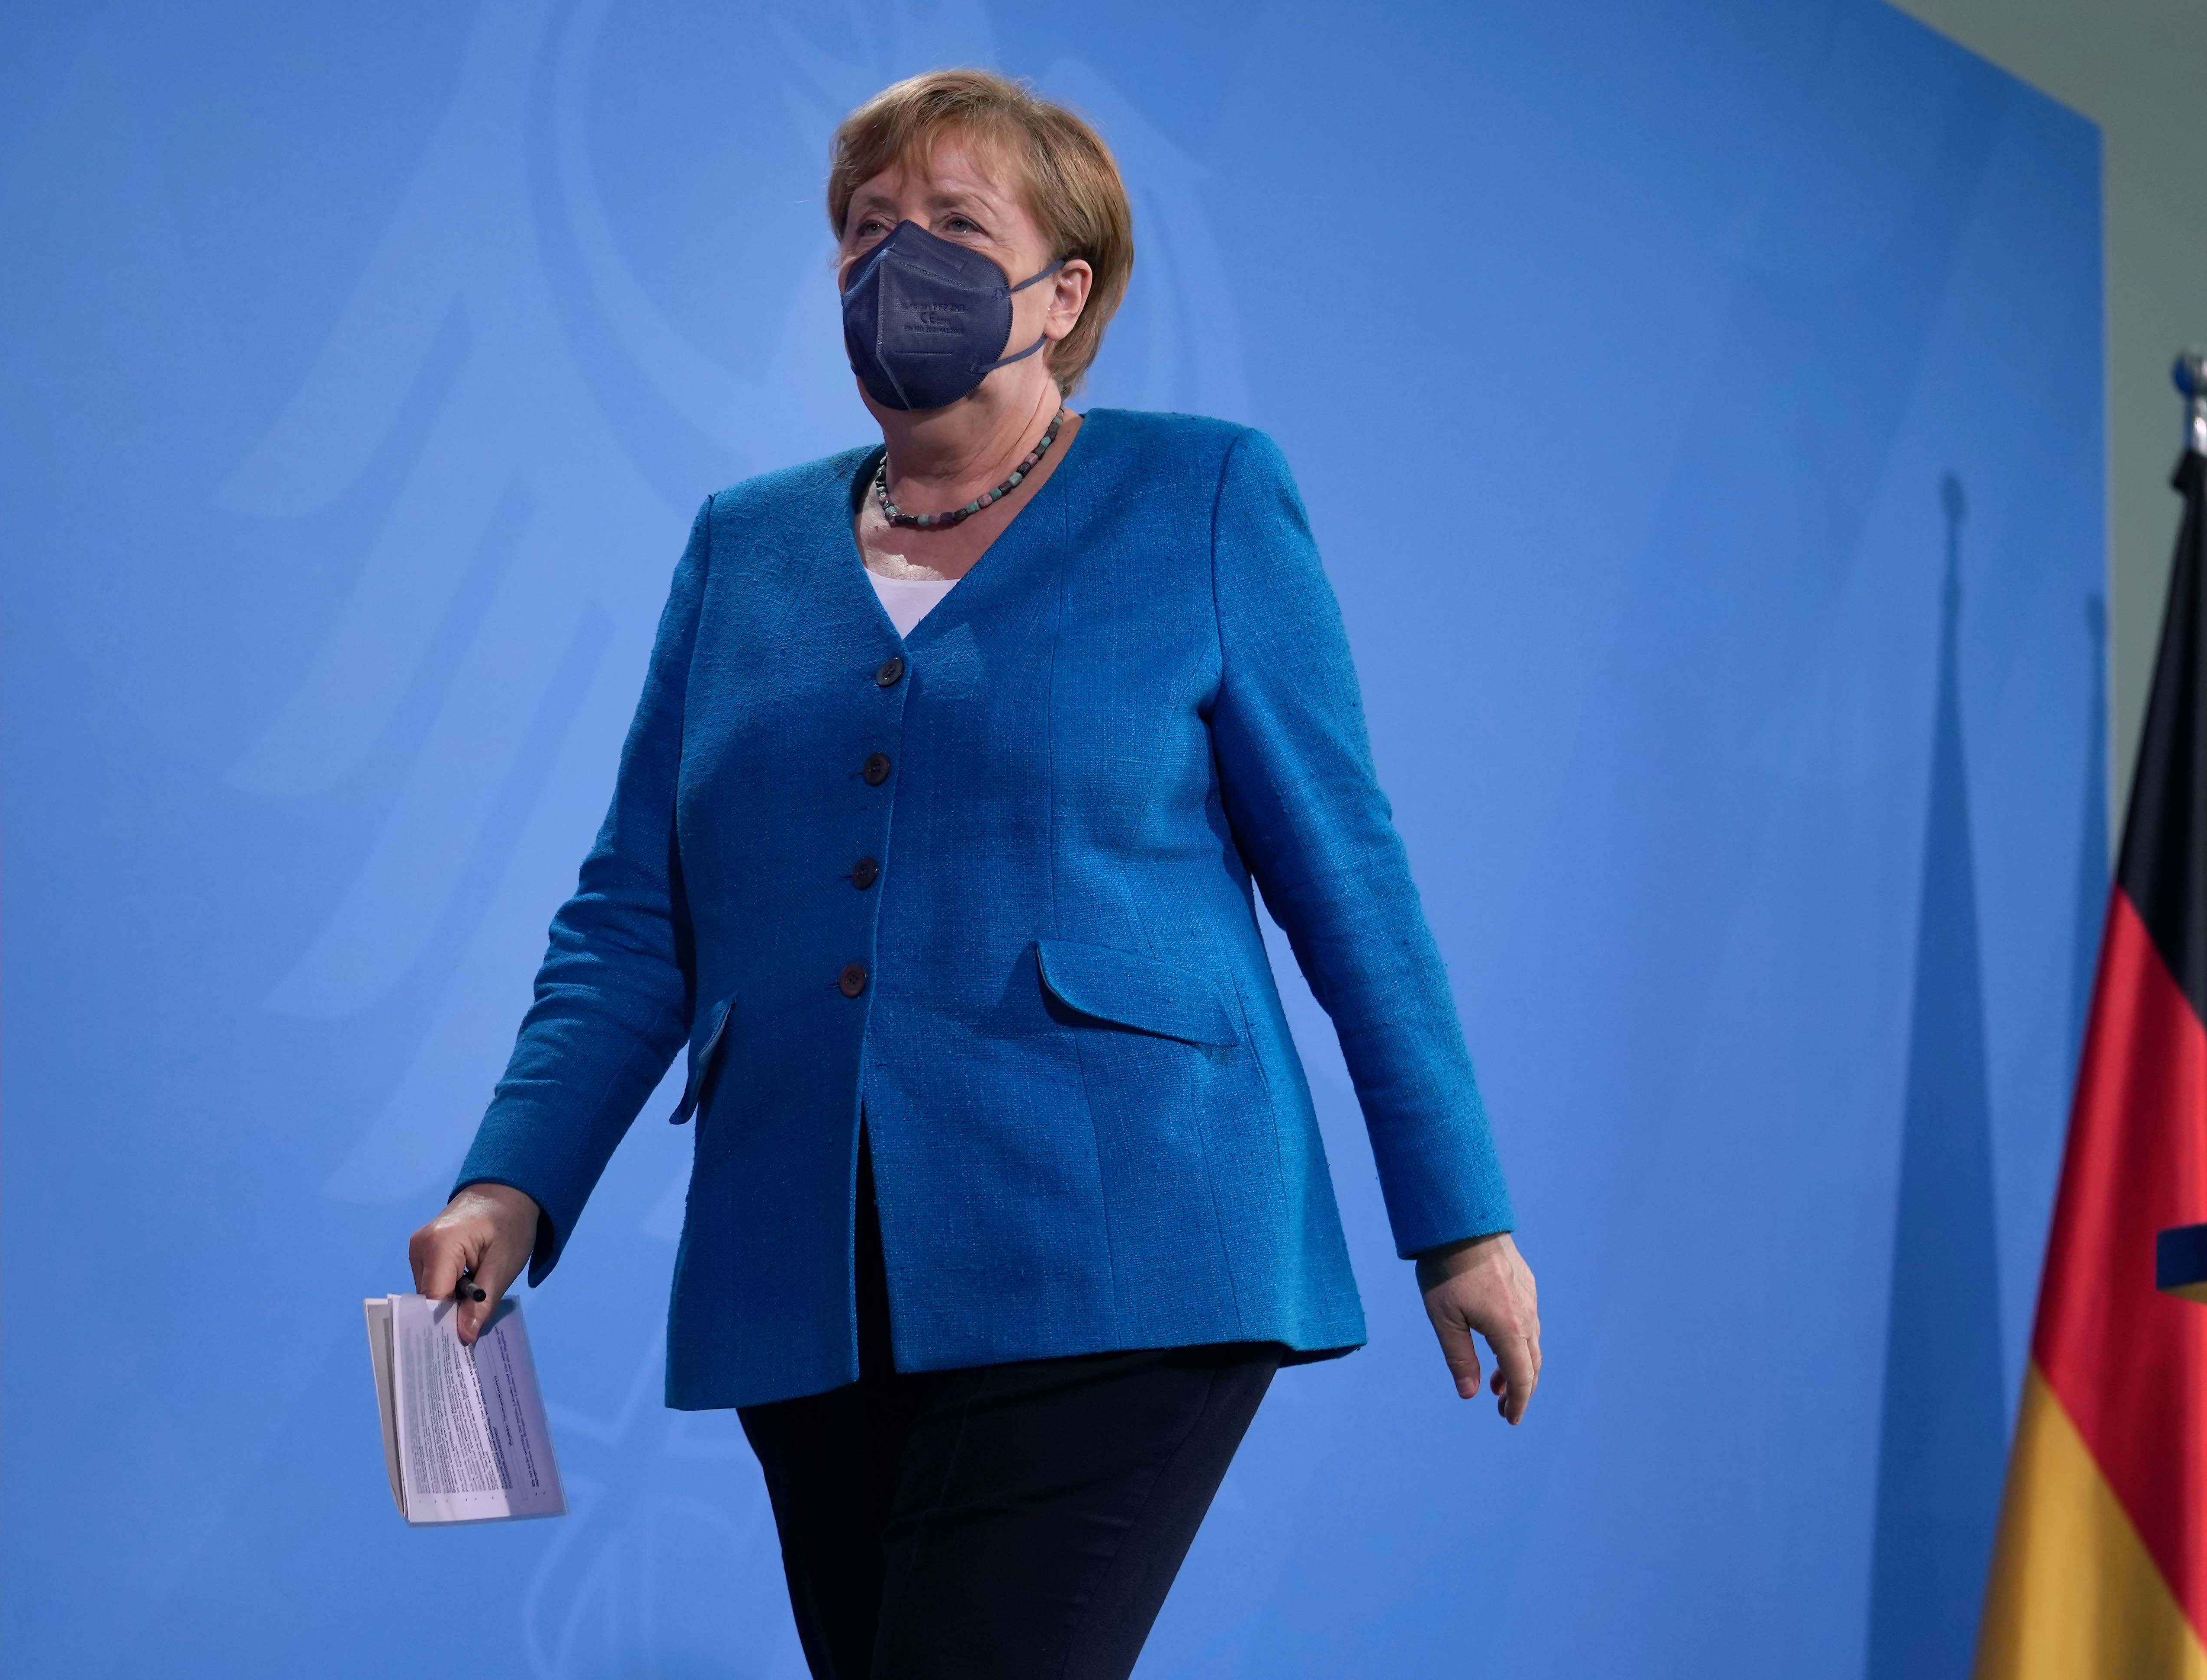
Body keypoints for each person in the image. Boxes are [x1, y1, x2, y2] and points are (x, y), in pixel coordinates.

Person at [409, 66, 1540, 1680]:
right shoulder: (742, 547)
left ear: (1064, 293)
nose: (899, 260)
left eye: (954, 222)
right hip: (808, 1270)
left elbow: (1349, 877)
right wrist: (509, 1180)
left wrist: (1459, 1220)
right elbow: (636, 913)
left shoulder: (1202, 497)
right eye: (869, 227)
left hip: (1128, 1237)